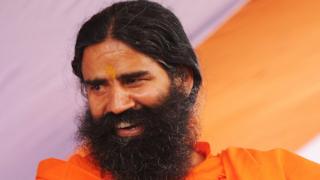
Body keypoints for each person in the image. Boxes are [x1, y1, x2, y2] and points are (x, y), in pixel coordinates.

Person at [36, 1, 320, 179]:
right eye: (98, 86)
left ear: (183, 79)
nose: (117, 104)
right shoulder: (66, 176)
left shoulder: (272, 172)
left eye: (134, 80)